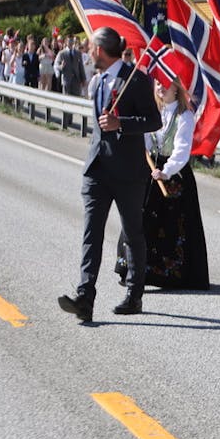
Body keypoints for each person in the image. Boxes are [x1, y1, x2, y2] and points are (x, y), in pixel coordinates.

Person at [57, 27, 162, 322]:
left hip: (128, 172)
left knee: (132, 234)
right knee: (92, 233)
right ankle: (84, 298)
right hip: (97, 170)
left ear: (101, 50)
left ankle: (134, 295)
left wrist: (122, 123)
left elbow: (154, 120)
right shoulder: (98, 79)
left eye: (91, 48)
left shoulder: (137, 80)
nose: (89, 53)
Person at [115, 78, 209, 290]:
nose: (160, 87)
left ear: (177, 88)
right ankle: (130, 268)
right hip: (152, 170)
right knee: (139, 218)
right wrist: (145, 156)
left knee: (172, 224)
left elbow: (182, 150)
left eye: (166, 83)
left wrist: (166, 172)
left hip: (173, 174)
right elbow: (146, 141)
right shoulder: (153, 112)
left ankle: (169, 273)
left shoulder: (184, 116)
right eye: (157, 83)